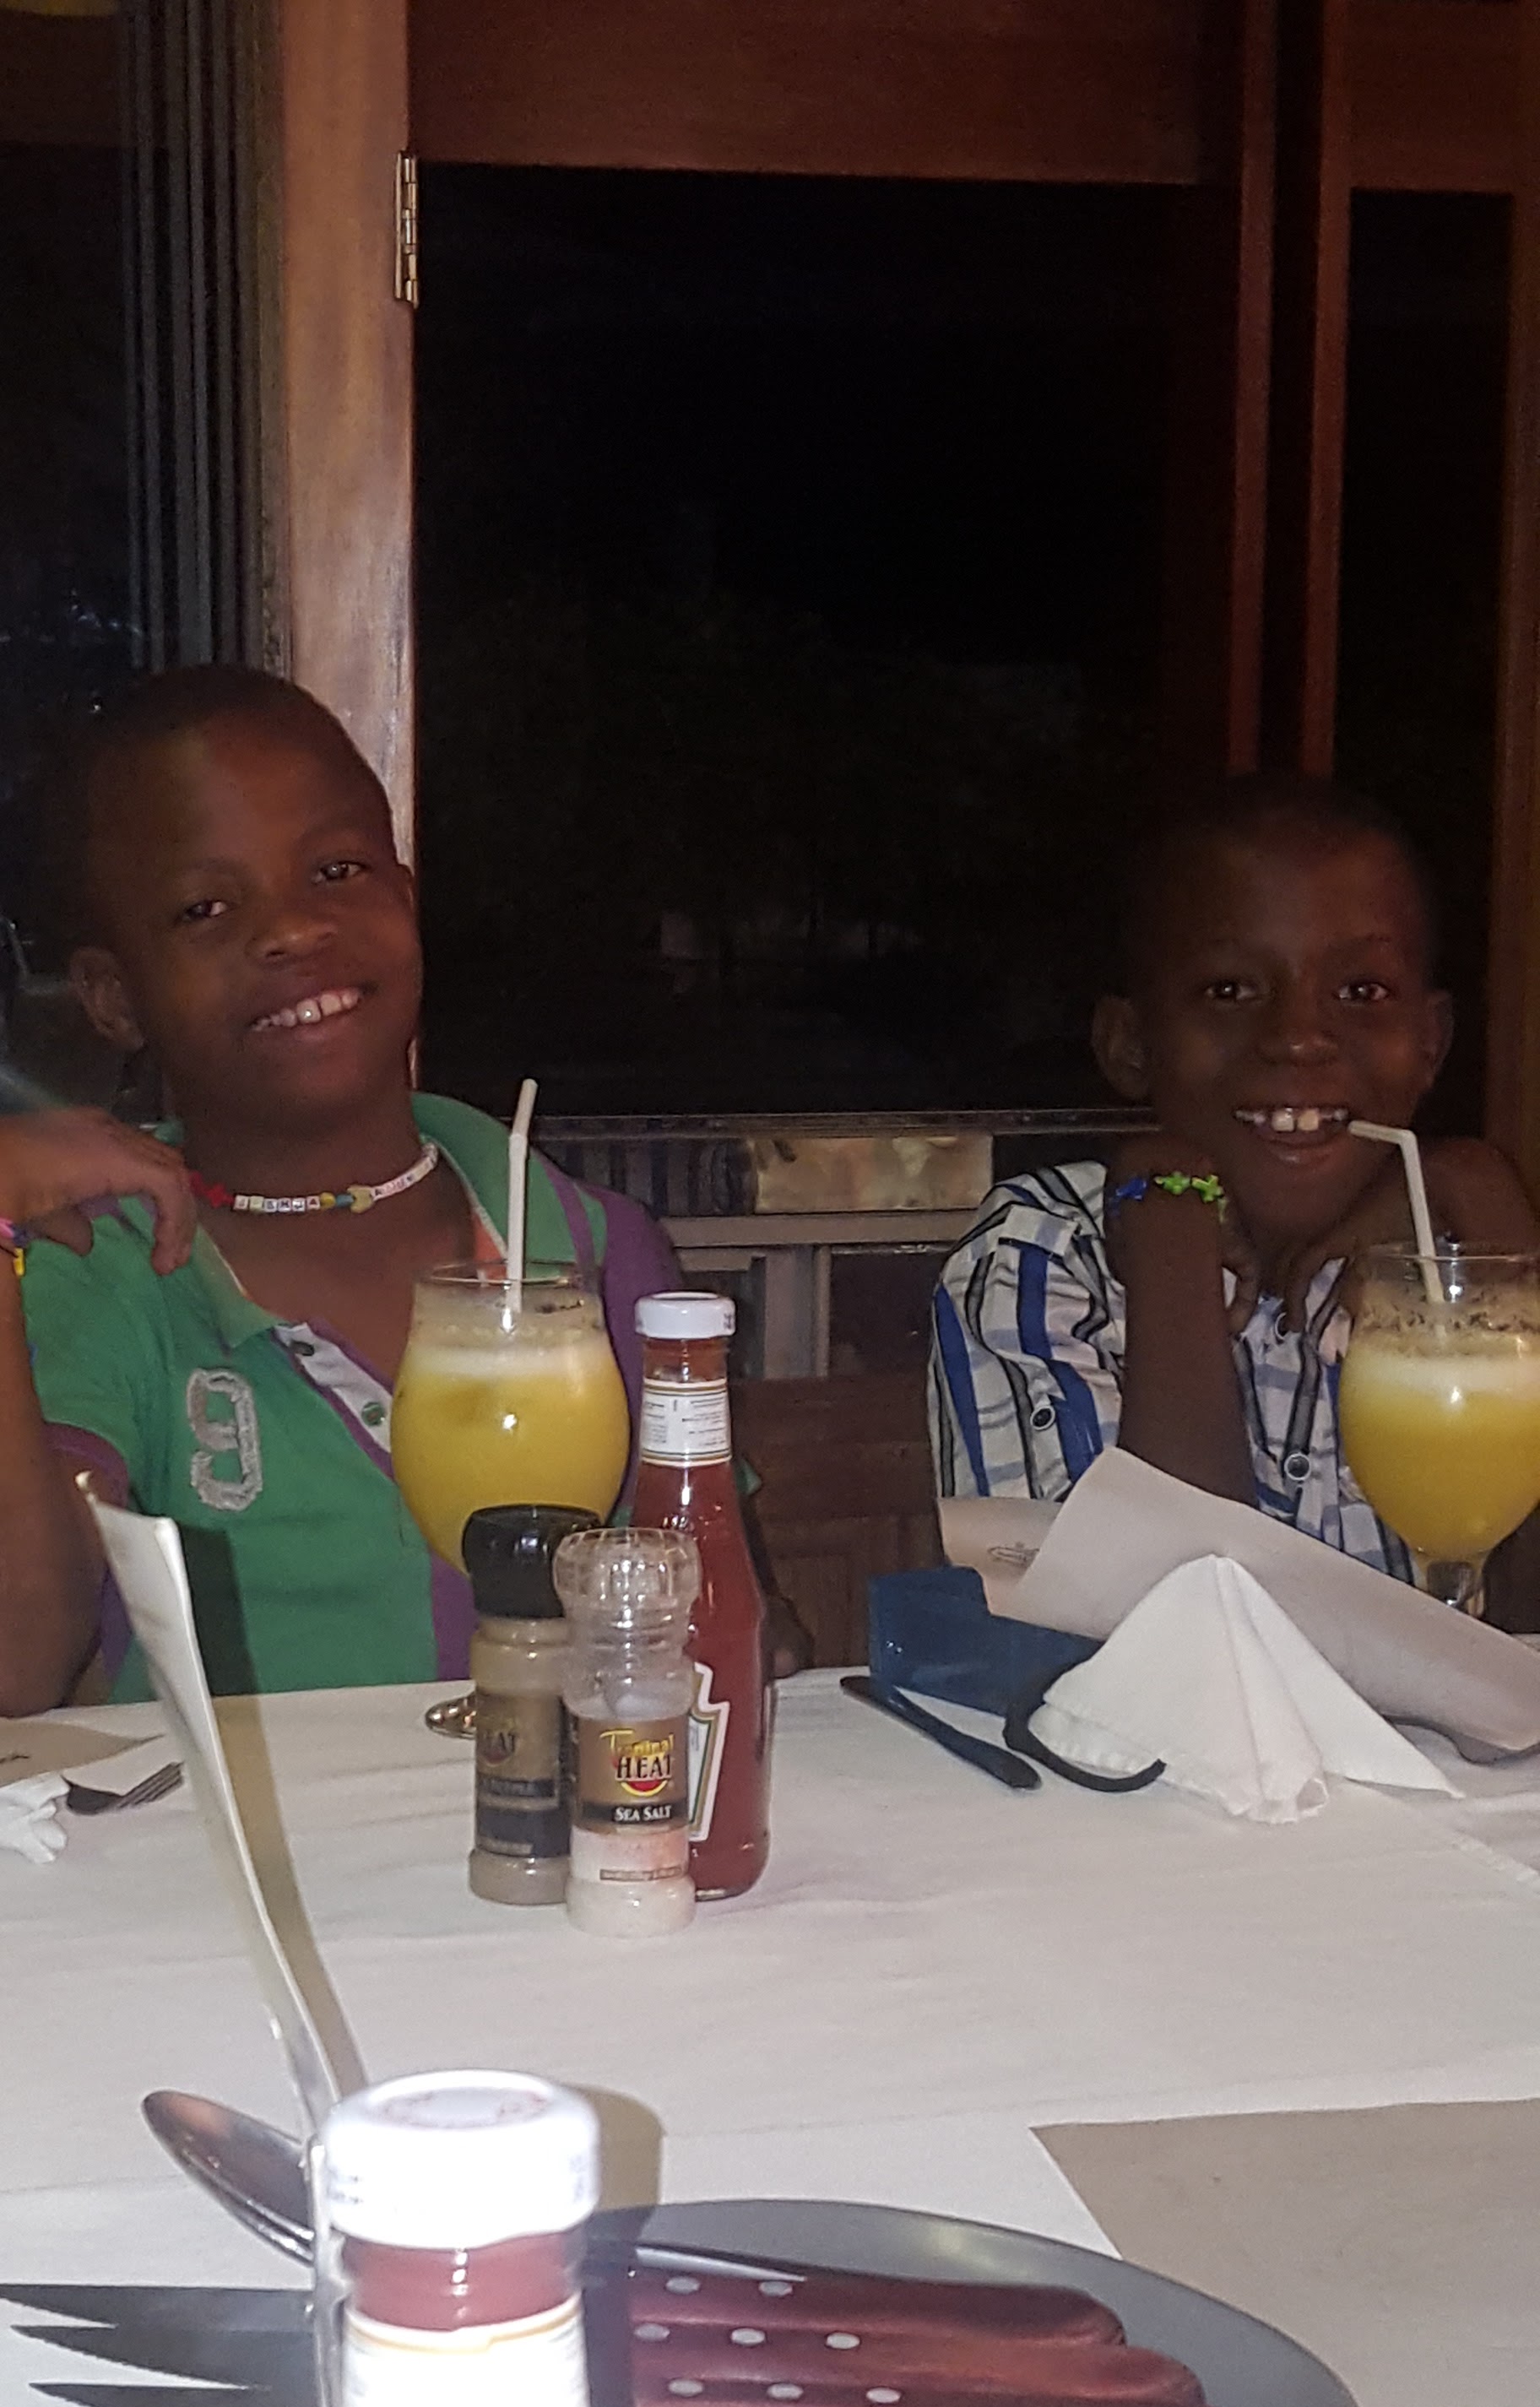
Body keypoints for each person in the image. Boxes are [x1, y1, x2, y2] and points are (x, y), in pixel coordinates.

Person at [0, 664, 794, 1712]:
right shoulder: (96, 1269)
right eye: (205, 907)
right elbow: (19, 1662)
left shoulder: (591, 1249)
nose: (292, 930)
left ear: (406, 903)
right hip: (235, 1826)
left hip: (567, 1814)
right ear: (114, 996)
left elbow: (744, 1629)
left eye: (336, 871)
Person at [930, 777, 1540, 1582]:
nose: (1299, 1038)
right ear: (1130, 1043)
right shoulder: (1040, 1259)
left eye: (1360, 991)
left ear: (1430, 1042)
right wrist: (1169, 1234)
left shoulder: (1451, 1257)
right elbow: (1156, 1615)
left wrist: (1487, 1200)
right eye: (1230, 990)